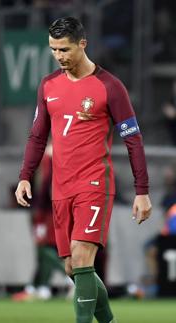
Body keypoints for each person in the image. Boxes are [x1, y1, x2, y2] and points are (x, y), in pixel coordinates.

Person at [14, 17, 152, 323]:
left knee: (81, 257)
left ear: (82, 45)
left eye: (64, 49)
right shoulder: (49, 85)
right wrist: (25, 176)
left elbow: (134, 141)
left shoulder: (110, 87)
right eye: (53, 50)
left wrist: (142, 191)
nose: (59, 56)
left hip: (94, 183)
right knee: (72, 267)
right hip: (60, 187)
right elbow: (37, 135)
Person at [12, 143, 72, 301]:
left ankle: (71, 278)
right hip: (60, 206)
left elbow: (46, 183)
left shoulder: (49, 154)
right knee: (48, 247)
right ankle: (40, 287)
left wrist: (39, 208)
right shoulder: (64, 151)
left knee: (44, 246)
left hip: (49, 210)